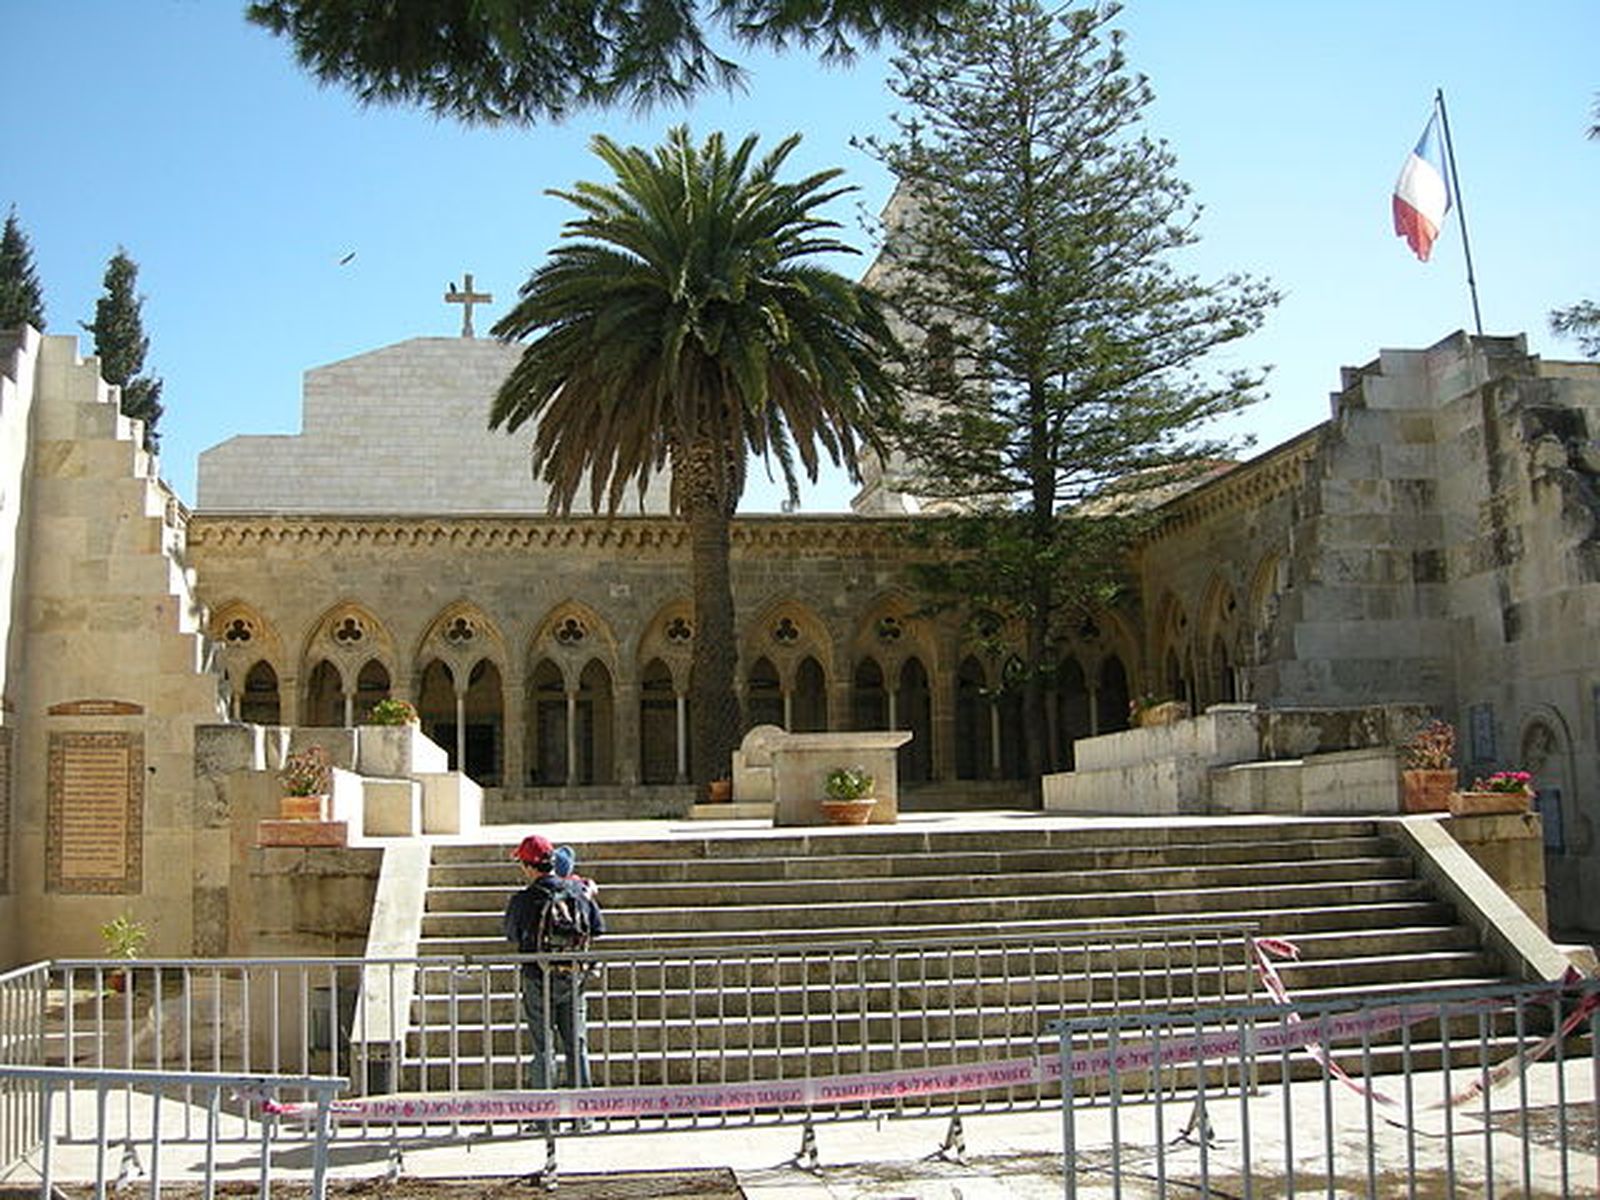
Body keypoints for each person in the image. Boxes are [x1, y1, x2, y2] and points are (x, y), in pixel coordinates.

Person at [503, 834, 605, 1093]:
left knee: (543, 1046)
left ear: (528, 866)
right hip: (574, 978)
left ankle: (545, 1115)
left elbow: (511, 934)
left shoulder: (524, 899)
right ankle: (583, 1113)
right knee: (576, 1044)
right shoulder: (577, 891)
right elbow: (597, 928)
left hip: (538, 978)